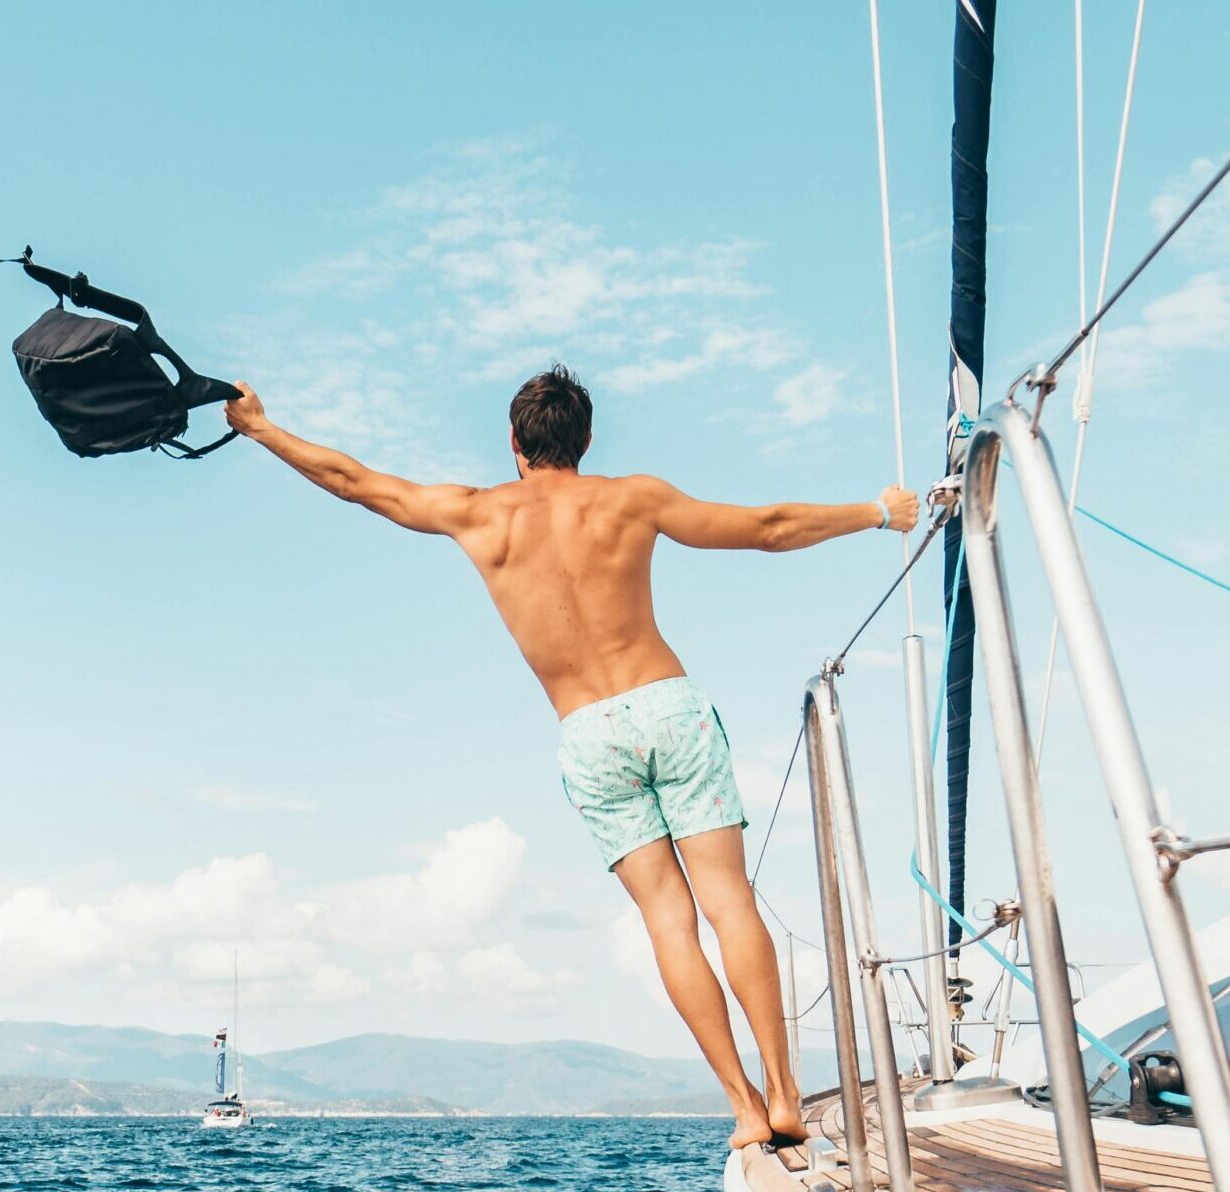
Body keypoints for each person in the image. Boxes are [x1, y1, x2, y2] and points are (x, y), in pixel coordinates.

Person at [224, 366, 918, 1147]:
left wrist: (261, 428)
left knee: (669, 921)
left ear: (515, 444)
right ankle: (787, 1093)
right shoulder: (632, 499)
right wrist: (875, 512)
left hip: (588, 731)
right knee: (729, 901)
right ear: (584, 441)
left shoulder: (477, 515)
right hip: (668, 704)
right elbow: (769, 526)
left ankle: (747, 1111)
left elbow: (353, 482)